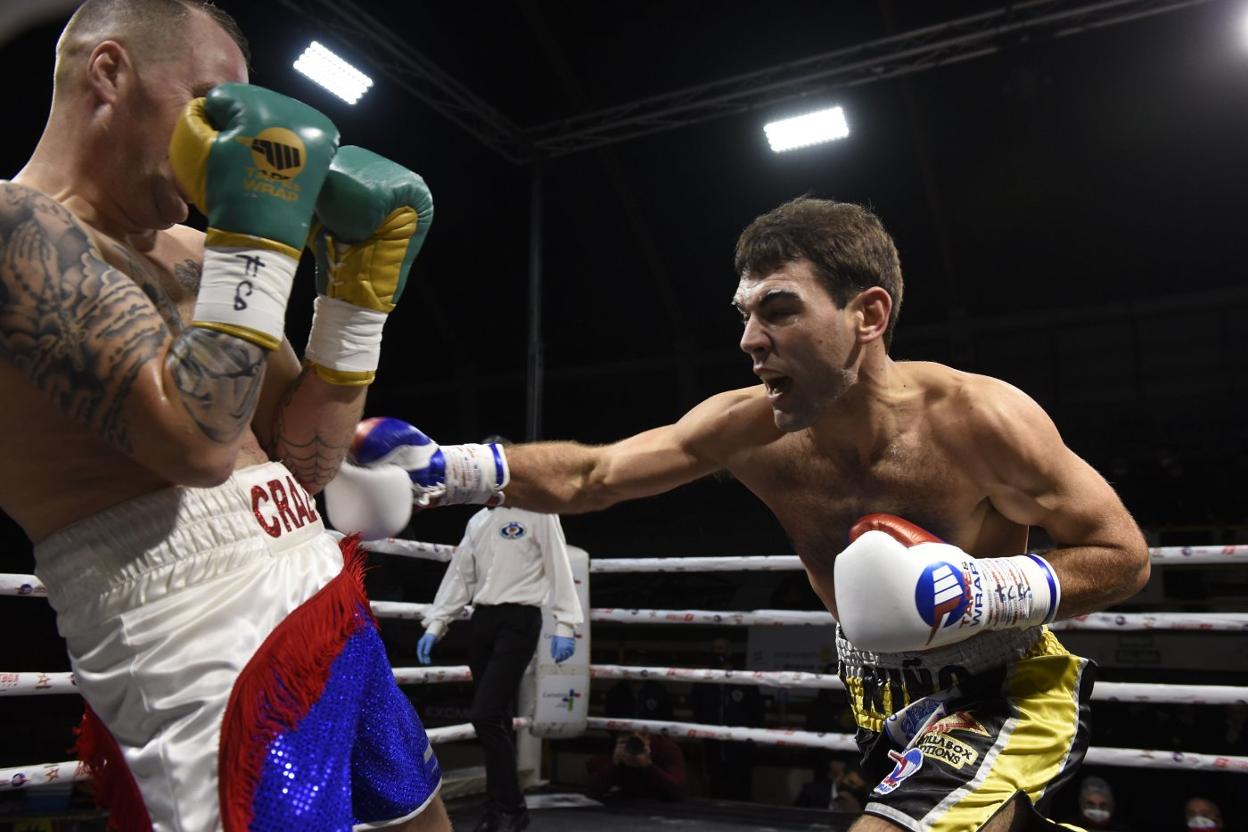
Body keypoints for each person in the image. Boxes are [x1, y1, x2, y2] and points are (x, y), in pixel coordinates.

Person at [332, 196, 1151, 830]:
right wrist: (451, 470)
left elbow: (1123, 554)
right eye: (745, 314)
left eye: (780, 309)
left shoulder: (979, 421)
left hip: (1008, 684)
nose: (750, 339)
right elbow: (596, 475)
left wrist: (979, 591)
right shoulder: (750, 428)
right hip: (881, 694)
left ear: (868, 315)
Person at [0, 1, 448, 829]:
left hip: (318, 588)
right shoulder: (17, 227)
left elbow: (302, 460)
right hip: (192, 638)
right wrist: (262, 229)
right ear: (109, 72)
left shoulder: (204, 253)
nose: (231, 137)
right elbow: (195, 446)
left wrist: (356, 294)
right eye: (209, 103)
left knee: (422, 820)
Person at [416, 445, 584, 832]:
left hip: (520, 619)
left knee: (485, 715)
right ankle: (501, 812)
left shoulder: (539, 512)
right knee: (498, 721)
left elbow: (558, 564)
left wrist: (565, 623)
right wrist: (436, 623)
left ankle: (510, 806)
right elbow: (461, 576)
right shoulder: (477, 522)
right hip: (485, 621)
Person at [689, 637, 764, 801]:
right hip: (713, 742)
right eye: (716, 649)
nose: (720, 654)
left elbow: (756, 711)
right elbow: (697, 708)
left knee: (740, 785)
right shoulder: (704, 680)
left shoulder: (744, 679)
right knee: (716, 783)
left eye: (723, 649)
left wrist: (751, 739)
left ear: (730, 650)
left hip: (740, 745)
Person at [585, 730, 687, 803]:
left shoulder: (666, 749)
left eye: (637, 742)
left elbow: (677, 792)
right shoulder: (615, 749)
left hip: (659, 805)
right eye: (626, 740)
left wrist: (648, 765)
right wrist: (614, 764)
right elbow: (592, 790)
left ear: (648, 738)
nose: (632, 747)